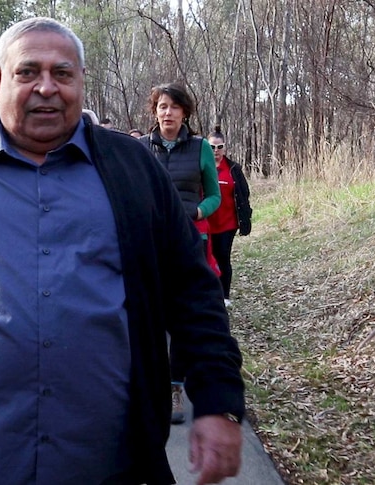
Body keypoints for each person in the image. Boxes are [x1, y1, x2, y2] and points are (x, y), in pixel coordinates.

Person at [0, 17, 244, 485]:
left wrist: (218, 400)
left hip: (107, 457)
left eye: (62, 74)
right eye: (28, 73)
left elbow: (193, 291)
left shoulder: (133, 170)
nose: (47, 88)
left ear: (81, 82)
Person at [138, 82, 222, 425]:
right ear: (154, 112)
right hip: (149, 244)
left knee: (181, 317)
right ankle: (147, 387)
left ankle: (175, 389)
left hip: (188, 243)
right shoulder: (141, 147)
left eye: (173, 107)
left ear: (185, 112)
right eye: (161, 107)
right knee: (148, 316)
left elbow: (214, 196)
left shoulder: (201, 147)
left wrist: (197, 213)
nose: (167, 113)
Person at [206, 128, 252, 308]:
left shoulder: (233, 169)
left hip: (227, 223)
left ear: (225, 148)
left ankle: (224, 296)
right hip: (207, 223)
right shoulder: (201, 167)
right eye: (211, 147)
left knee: (223, 256)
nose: (215, 151)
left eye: (219, 147)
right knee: (207, 258)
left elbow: (243, 194)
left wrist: (245, 219)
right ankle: (210, 294)